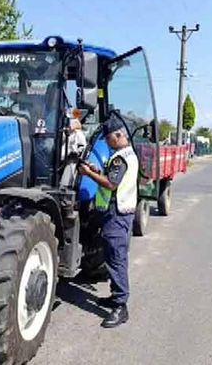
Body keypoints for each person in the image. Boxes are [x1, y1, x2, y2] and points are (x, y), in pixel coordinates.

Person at [78, 115, 138, 328]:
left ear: (119, 135)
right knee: (113, 256)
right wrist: (97, 171)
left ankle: (121, 306)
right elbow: (112, 178)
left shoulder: (120, 158)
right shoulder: (124, 155)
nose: (108, 142)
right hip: (116, 212)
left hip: (117, 213)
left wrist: (88, 173)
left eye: (109, 138)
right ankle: (115, 297)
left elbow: (111, 184)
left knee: (116, 258)